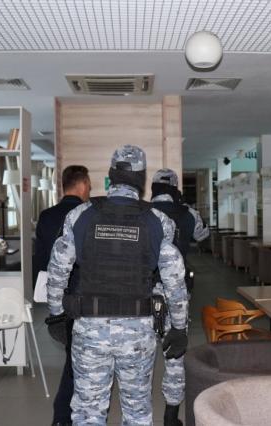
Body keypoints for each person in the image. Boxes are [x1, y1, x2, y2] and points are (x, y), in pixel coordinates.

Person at [46, 145, 189, 425]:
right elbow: (174, 280)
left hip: (89, 331)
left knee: (88, 413)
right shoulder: (158, 221)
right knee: (137, 412)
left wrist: (55, 315)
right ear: (142, 178)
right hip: (138, 333)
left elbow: (57, 269)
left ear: (111, 175)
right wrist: (179, 327)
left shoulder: (81, 215)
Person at [150, 168, 209, 426]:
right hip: (176, 294)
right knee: (174, 355)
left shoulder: (142, 212)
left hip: (144, 293)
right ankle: (171, 417)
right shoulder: (188, 214)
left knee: (140, 354)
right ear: (176, 188)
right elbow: (202, 235)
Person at [34, 165, 90, 426]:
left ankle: (68, 412)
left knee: (73, 354)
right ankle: (63, 414)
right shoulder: (86, 214)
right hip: (82, 296)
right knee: (75, 358)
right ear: (82, 184)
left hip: (58, 296)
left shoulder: (46, 216)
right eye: (89, 186)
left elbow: (40, 259)